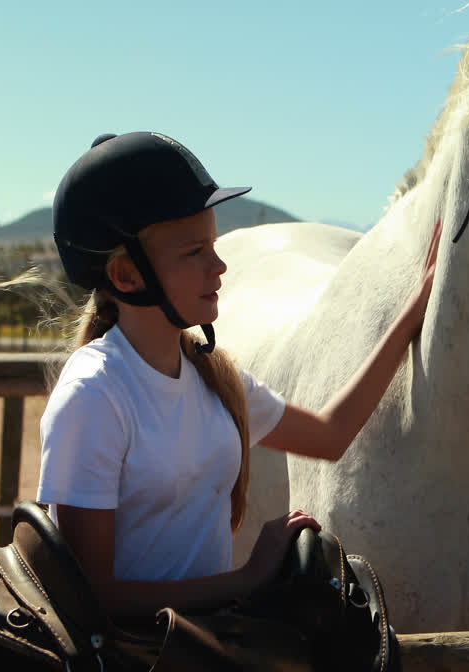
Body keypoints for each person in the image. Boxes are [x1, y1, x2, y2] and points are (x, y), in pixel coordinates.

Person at [38, 131, 439, 618]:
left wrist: (410, 315)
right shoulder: (94, 395)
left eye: (213, 244)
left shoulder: (212, 378)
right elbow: (93, 598)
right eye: (194, 253)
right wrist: (247, 579)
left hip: (200, 647)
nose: (220, 265)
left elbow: (331, 434)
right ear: (126, 276)